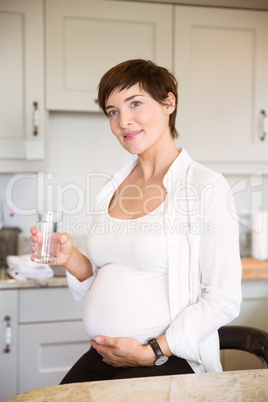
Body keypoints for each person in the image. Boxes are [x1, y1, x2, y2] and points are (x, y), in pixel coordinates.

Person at [30, 59, 242, 382]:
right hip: (103, 355)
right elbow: (113, 272)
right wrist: (72, 259)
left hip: (167, 361)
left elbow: (223, 299)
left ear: (168, 103)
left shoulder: (205, 186)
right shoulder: (113, 186)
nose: (123, 122)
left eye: (135, 104)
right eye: (113, 111)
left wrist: (152, 351)